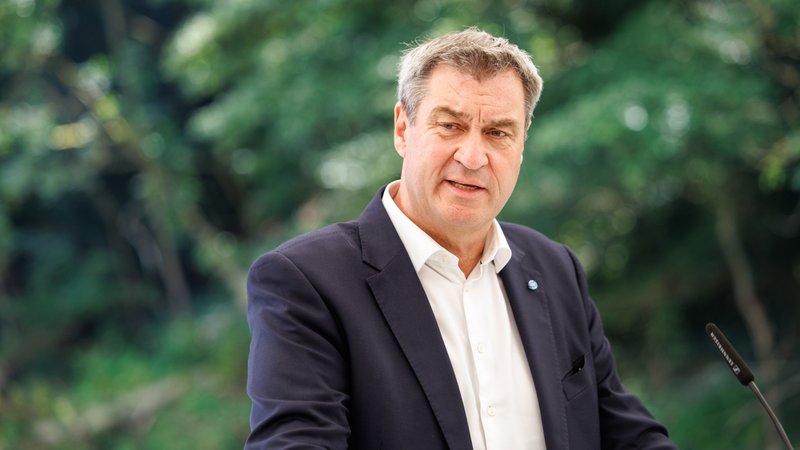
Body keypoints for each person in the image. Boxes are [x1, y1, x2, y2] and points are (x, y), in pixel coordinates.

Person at [245, 27, 677, 450]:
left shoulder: (555, 269)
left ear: (522, 144)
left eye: (497, 133)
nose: (472, 157)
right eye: (450, 125)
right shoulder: (307, 283)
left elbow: (627, 434)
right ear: (402, 128)